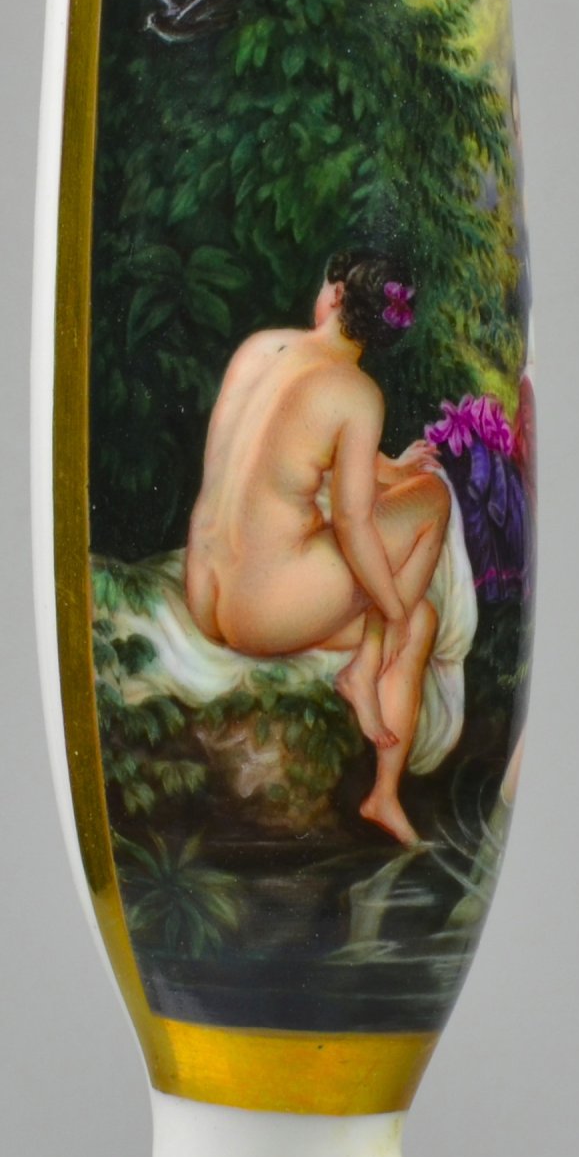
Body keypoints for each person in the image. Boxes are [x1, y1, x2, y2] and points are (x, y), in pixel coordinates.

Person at [185, 250, 450, 845]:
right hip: (262, 608)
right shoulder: (356, 393)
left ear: (335, 294)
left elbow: (282, 444)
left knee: (425, 619)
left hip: (207, 592)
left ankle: (383, 797)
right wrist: (392, 610)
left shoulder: (263, 349)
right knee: (432, 500)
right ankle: (369, 663)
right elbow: (354, 524)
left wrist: (388, 469)